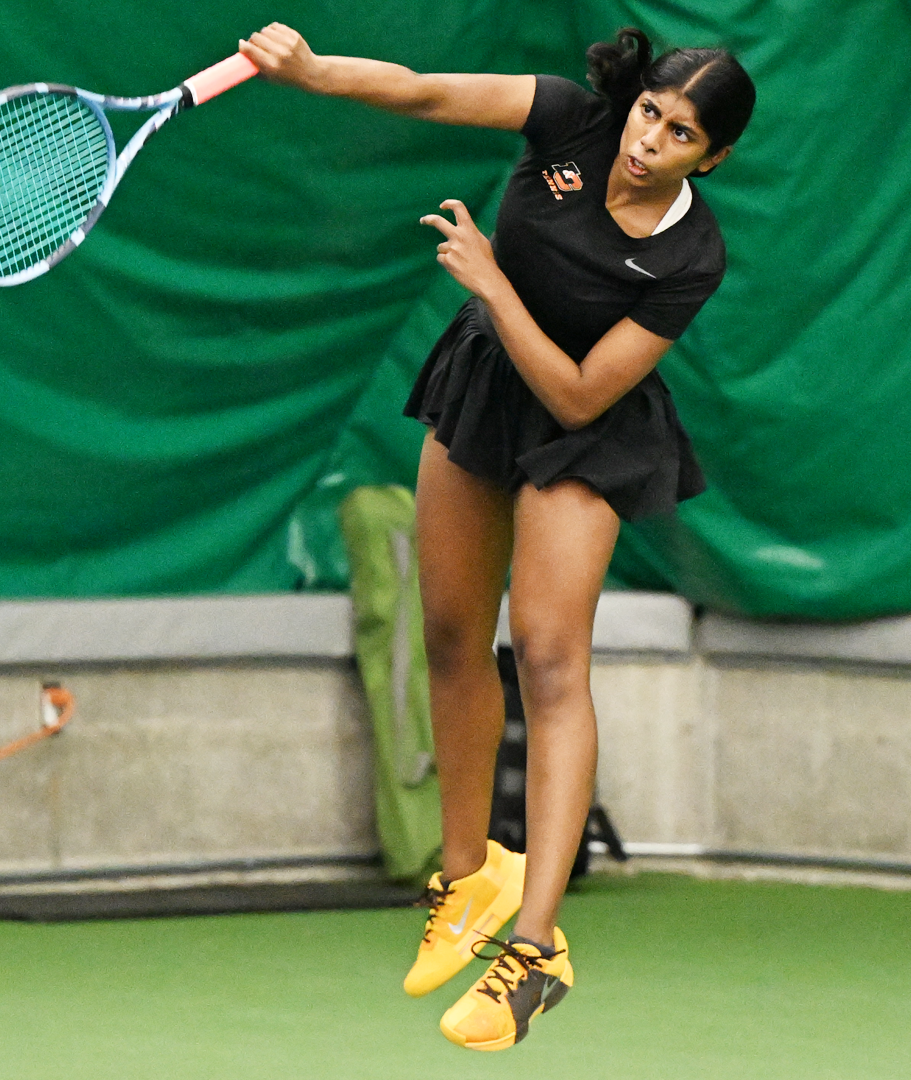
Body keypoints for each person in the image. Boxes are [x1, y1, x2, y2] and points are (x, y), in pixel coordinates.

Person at [239, 23, 755, 1051]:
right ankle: (468, 877)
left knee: (552, 660)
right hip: (486, 386)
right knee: (446, 634)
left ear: (713, 156)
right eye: (651, 110)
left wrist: (490, 279)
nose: (649, 139)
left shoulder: (692, 256)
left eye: (681, 132)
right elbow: (425, 90)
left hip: (585, 429)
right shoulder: (570, 116)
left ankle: (536, 948)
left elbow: (575, 395)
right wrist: (313, 70)